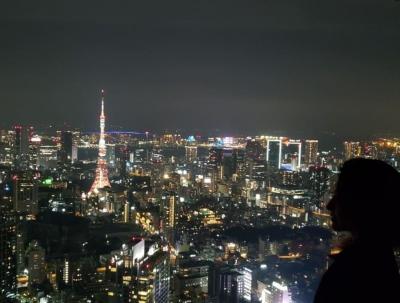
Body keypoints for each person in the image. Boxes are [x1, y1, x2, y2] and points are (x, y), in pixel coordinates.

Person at [314, 158, 400, 302]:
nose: (329, 205)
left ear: (360, 204)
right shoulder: (382, 264)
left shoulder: (352, 272)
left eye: (338, 196)